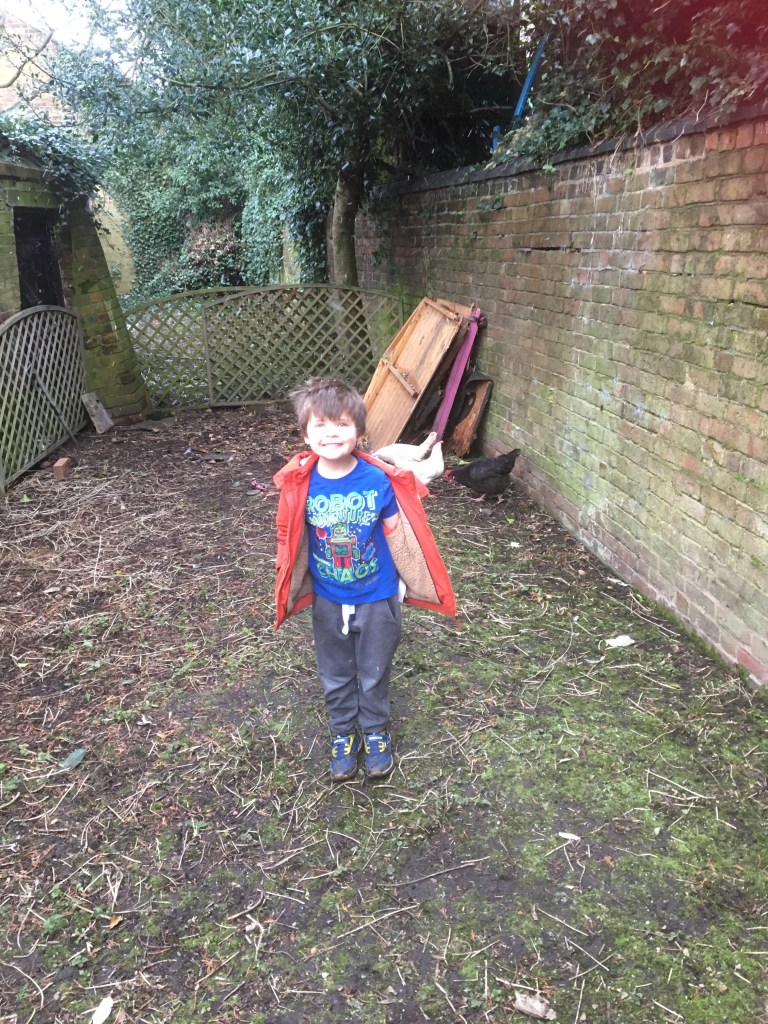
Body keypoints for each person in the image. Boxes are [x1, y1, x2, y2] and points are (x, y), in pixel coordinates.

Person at [274, 376, 456, 782]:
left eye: (342, 424)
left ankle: (375, 731)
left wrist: (411, 578)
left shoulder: (377, 480)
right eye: (320, 425)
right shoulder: (301, 485)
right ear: (305, 434)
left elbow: (399, 534)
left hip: (377, 596)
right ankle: (343, 733)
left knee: (374, 670)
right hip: (329, 599)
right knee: (335, 672)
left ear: (359, 432)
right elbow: (292, 538)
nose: (331, 433)